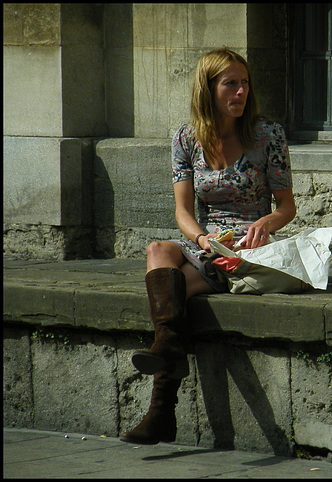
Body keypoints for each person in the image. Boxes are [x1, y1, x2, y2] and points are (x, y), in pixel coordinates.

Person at [120, 48, 296, 445]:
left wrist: (267, 222)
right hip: (205, 238)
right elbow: (183, 211)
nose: (241, 92)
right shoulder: (186, 138)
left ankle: (162, 401)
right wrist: (201, 238)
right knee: (157, 251)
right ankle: (168, 349)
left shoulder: (268, 135)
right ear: (208, 88)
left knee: (175, 287)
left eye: (245, 83)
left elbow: (287, 206)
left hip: (247, 244)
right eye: (230, 83)